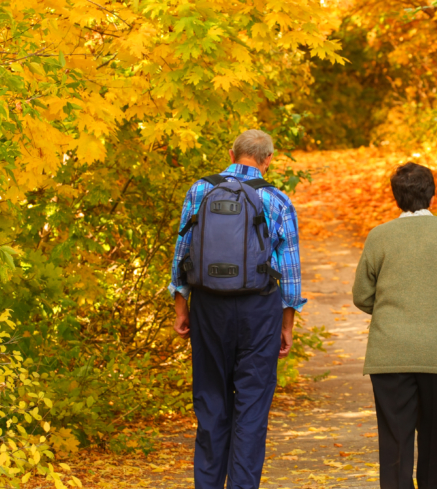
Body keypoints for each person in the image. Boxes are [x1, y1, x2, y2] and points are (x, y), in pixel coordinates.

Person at [169, 129, 306, 489]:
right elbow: (290, 270)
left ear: (231, 154)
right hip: (259, 310)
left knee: (211, 400)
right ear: (268, 159)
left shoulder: (200, 190)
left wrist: (181, 306)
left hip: (208, 307)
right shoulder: (276, 199)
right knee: (252, 404)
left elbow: (182, 253)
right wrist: (287, 324)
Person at [352, 162, 437, 489]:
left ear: (396, 197)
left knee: (395, 439)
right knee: (435, 434)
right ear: (432, 195)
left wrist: (391, 312)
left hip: (390, 352)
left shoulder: (379, 236)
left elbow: (362, 295)